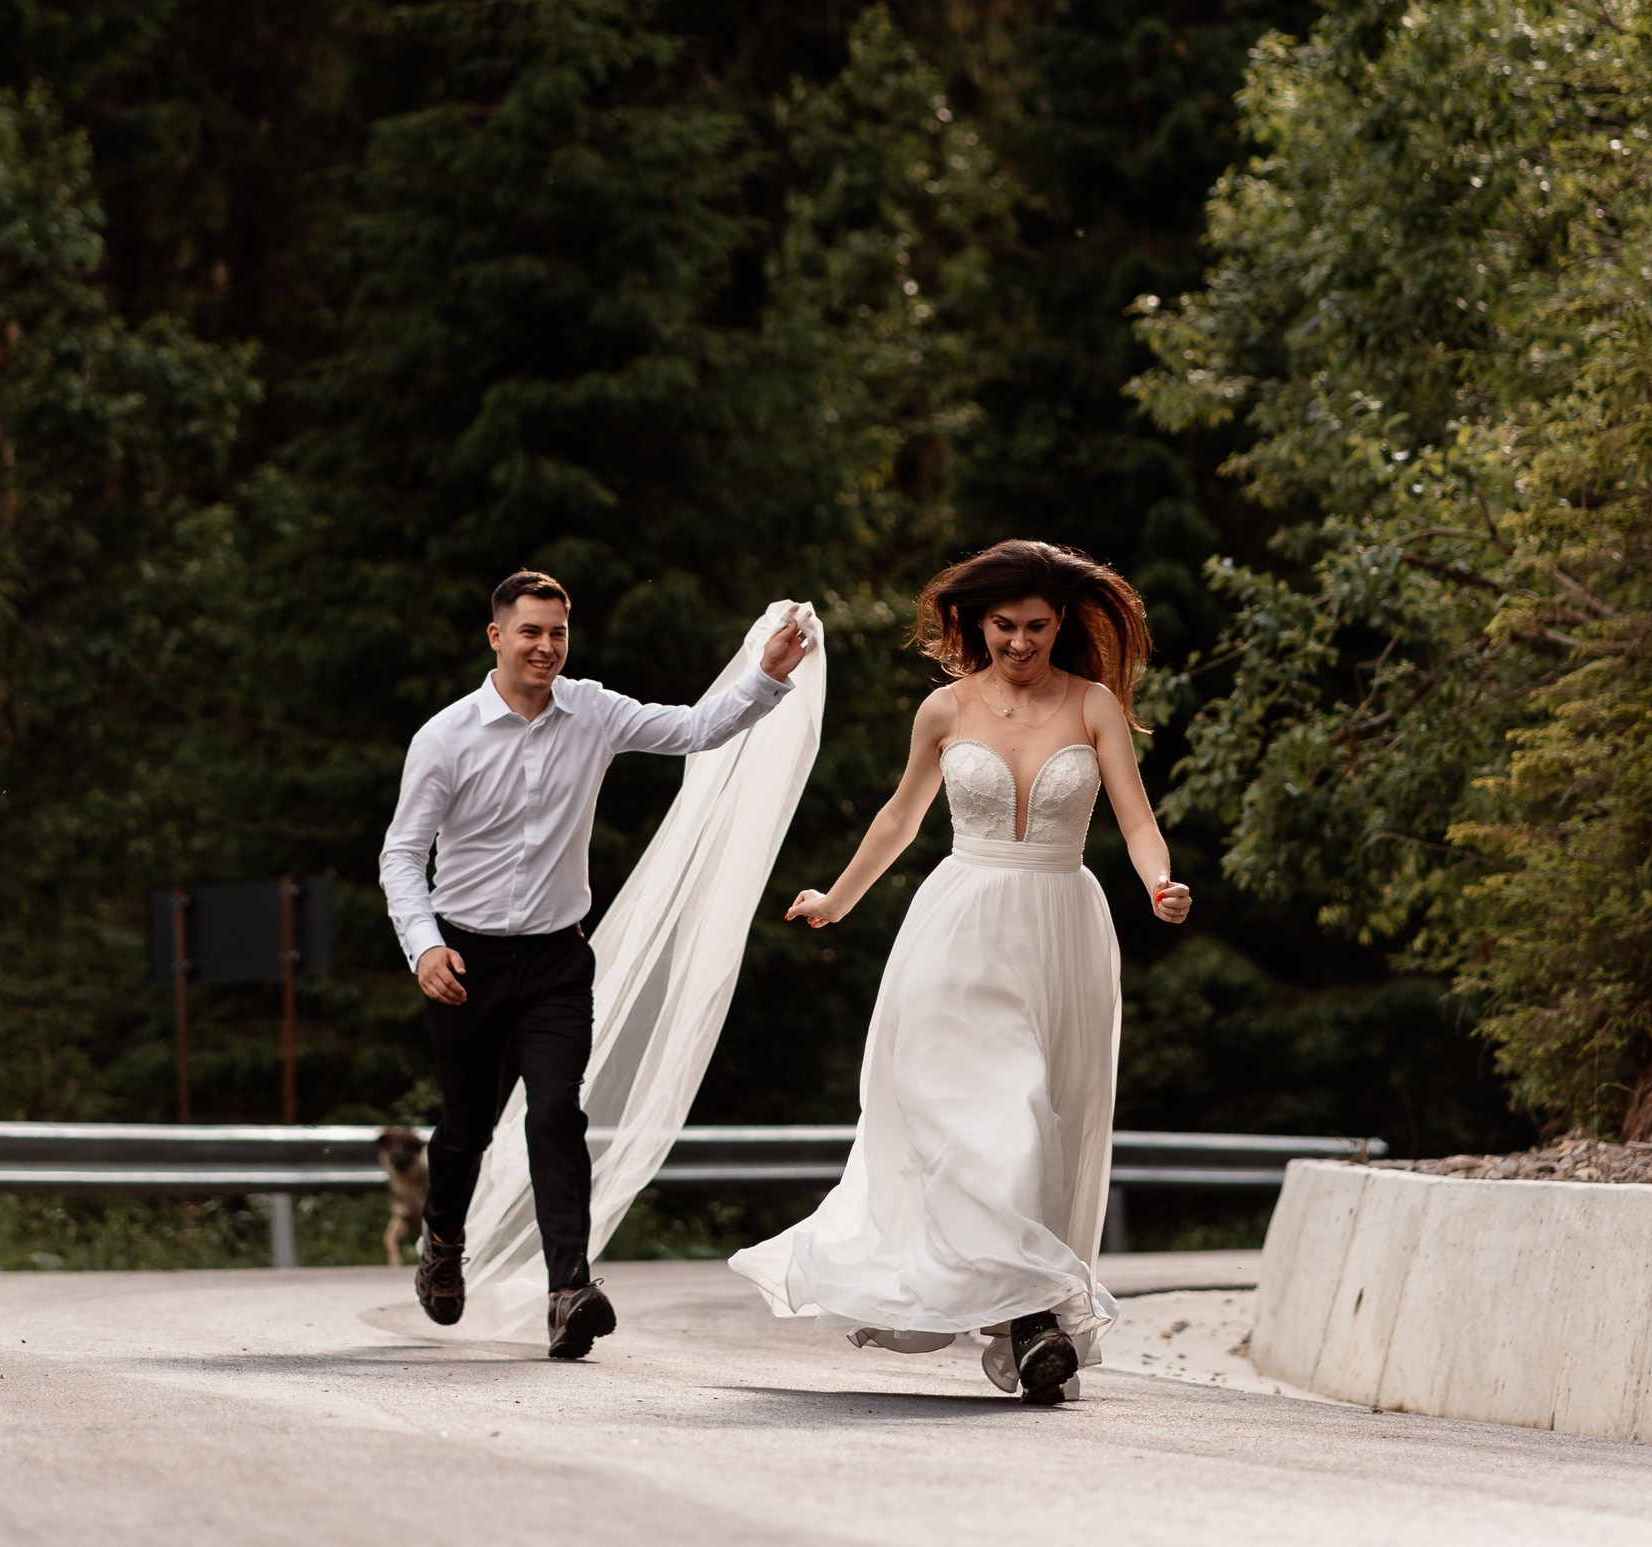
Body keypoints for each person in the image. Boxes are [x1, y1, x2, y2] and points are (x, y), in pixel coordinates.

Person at [729, 540, 1191, 1404]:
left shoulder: (1093, 705)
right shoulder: (944, 710)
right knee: (997, 1118)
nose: (1021, 643)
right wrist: (836, 896)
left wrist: (1158, 880)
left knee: (1046, 1119)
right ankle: (1032, 1323)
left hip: (1061, 928)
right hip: (957, 929)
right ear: (977, 623)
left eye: (1039, 627)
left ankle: (1027, 1319)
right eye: (1006, 626)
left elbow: (1135, 818)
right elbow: (902, 815)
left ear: (1063, 625)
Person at [381, 570, 813, 1359]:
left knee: (555, 1114)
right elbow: (403, 854)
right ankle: (442, 1241)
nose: (546, 647)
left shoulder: (595, 712)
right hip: (463, 958)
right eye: (530, 632)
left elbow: (694, 728)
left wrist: (768, 673)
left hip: (554, 959)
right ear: (496, 637)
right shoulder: (445, 736)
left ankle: (568, 1289)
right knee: (466, 1126)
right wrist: (424, 945)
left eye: (558, 633)